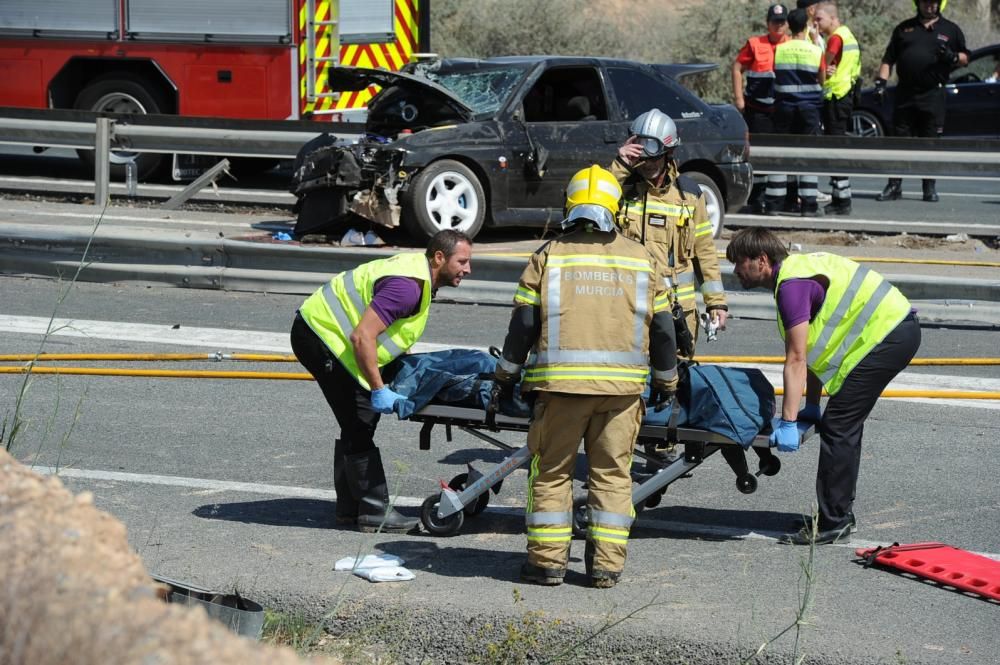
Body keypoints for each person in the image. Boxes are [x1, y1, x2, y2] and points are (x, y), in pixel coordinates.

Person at [493, 165, 678, 588]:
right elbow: (665, 329)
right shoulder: (642, 259)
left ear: (570, 206)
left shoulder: (548, 255)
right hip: (622, 393)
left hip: (560, 392)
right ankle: (606, 569)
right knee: (613, 476)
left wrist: (505, 376)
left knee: (552, 473)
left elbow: (523, 324)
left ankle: (547, 564)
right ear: (614, 207)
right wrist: (667, 384)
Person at [726, 228, 921, 545]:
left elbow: (797, 358)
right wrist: (812, 405)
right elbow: (817, 348)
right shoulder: (796, 274)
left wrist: (789, 422)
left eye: (738, 262)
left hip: (891, 335)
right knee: (841, 422)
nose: (734, 271)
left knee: (839, 424)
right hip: (895, 331)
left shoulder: (791, 287)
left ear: (761, 260)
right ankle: (838, 512)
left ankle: (833, 522)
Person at [291, 230, 473, 533]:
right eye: (463, 261)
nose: (468, 269)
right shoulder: (408, 287)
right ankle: (372, 511)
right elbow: (362, 336)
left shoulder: (418, 275)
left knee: (356, 419)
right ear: (439, 258)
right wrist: (378, 389)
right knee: (360, 418)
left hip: (322, 331)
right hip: (320, 337)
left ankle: (351, 510)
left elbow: (392, 328)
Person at [611, 108, 729, 350]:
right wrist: (620, 165)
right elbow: (587, 207)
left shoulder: (689, 195)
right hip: (628, 305)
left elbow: (704, 252)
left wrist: (716, 302)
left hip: (676, 312)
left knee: (675, 380)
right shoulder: (619, 189)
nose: (647, 165)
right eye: (641, 157)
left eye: (654, 157)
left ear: (669, 153)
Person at [875, 0, 969, 203]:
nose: (929, 6)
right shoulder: (904, 28)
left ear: (940, 4)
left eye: (934, 2)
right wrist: (880, 83)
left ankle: (929, 188)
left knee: (930, 143)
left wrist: (952, 57)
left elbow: (965, 57)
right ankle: (894, 186)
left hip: (933, 95)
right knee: (900, 143)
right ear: (917, 3)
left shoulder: (950, 29)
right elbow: (887, 59)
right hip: (905, 94)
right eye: (925, 2)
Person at [761, 8, 826, 217]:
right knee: (808, 156)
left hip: (784, 109)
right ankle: (808, 206)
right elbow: (822, 79)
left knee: (781, 155)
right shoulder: (815, 51)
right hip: (809, 110)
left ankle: (774, 204)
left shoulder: (780, 49)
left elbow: (775, 76)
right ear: (806, 26)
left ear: (789, 25)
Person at [732, 3, 790, 213]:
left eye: (782, 22)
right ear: (768, 23)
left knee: (782, 155)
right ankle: (757, 199)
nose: (779, 26)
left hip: (783, 110)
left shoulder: (793, 44)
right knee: (758, 155)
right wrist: (739, 98)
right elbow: (737, 67)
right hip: (757, 110)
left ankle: (780, 201)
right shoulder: (755, 44)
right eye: (775, 22)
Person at [815, 1, 861, 215]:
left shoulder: (834, 38)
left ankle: (842, 200)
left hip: (835, 97)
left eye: (819, 19)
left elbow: (823, 65)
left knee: (834, 151)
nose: (816, 23)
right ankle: (841, 197)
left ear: (833, 18)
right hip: (845, 95)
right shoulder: (848, 35)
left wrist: (823, 68)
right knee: (838, 148)